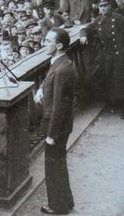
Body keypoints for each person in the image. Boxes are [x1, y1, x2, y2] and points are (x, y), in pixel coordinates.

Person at [34, 28, 75, 215]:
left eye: (48, 41)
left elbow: (60, 106)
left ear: (58, 45)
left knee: (53, 166)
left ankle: (57, 206)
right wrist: (42, 89)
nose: (44, 43)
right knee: (58, 164)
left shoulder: (62, 69)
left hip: (55, 127)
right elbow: (51, 80)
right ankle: (65, 201)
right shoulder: (60, 62)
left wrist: (51, 134)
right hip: (58, 125)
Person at [80, 0, 124, 119]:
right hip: (107, 57)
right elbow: (88, 28)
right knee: (109, 81)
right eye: (101, 6)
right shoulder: (98, 21)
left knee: (123, 82)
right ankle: (115, 104)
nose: (103, 8)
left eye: (105, 5)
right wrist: (83, 35)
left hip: (121, 56)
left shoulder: (118, 18)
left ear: (110, 6)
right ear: (98, 8)